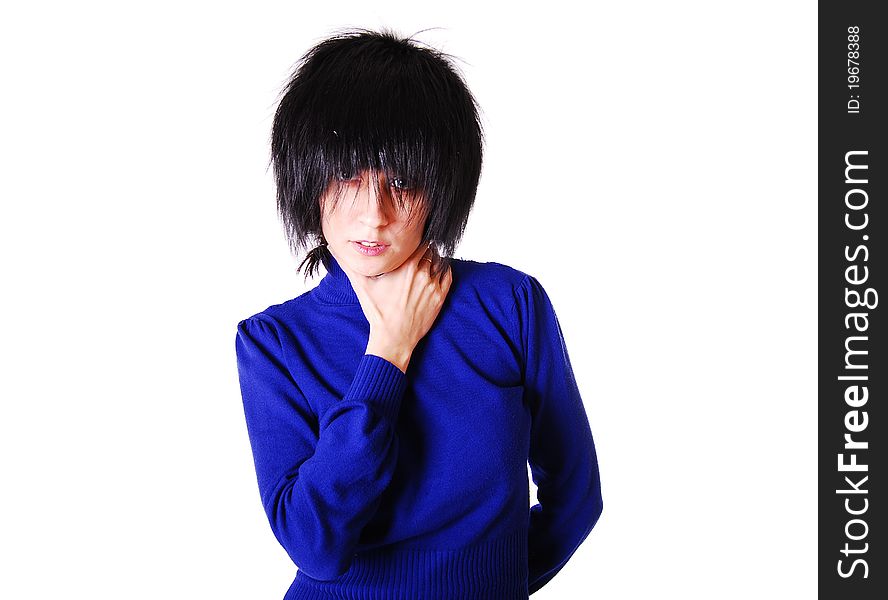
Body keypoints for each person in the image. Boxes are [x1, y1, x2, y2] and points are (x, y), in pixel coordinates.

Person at [234, 28, 603, 600]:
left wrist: (490, 583)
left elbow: (576, 494)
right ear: (307, 181)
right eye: (347, 177)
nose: (374, 215)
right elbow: (315, 545)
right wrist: (388, 352)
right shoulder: (275, 342)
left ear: (441, 188)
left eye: (402, 181)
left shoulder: (509, 304)